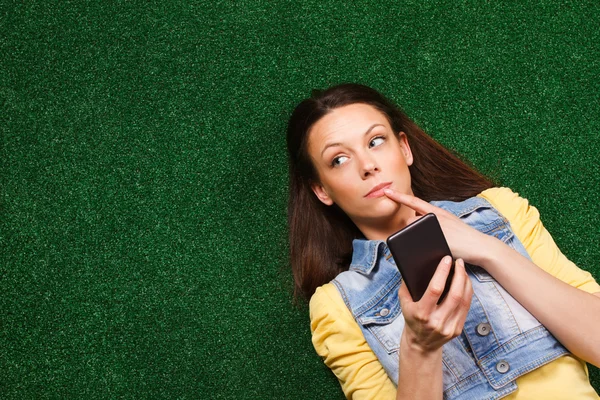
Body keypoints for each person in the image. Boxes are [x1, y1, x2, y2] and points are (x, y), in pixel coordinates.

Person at [286, 83, 600, 400]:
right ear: (321, 190)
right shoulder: (337, 305)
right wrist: (420, 346)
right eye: (339, 160)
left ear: (404, 148)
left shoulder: (501, 209)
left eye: (376, 141)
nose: (368, 166)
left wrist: (488, 249)